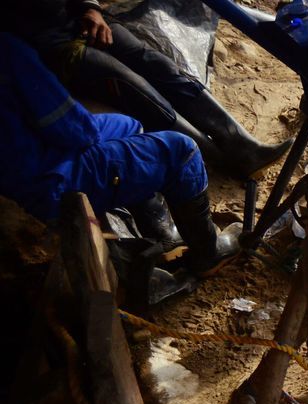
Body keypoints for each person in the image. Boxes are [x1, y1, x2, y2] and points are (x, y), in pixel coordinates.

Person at [0, 32, 238, 300]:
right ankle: (208, 253)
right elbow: (72, 129)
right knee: (182, 151)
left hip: (18, 167)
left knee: (129, 126)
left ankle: (160, 232)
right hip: (51, 179)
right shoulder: (9, 52)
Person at [13, 0, 291, 179]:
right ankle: (212, 157)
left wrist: (91, 8)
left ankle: (242, 145)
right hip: (50, 47)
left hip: (81, 19)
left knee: (157, 64)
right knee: (131, 85)